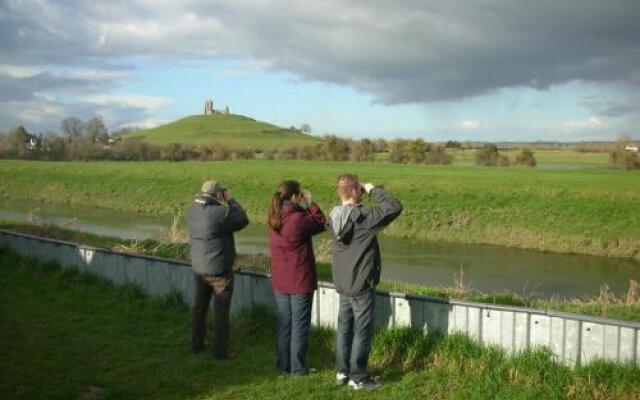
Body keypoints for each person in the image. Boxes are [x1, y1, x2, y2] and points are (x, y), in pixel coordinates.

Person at [326, 174, 402, 390]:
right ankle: (358, 378)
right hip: (360, 283)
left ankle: (342, 372)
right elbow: (395, 206)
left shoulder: (332, 217)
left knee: (344, 328)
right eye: (358, 189)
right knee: (362, 330)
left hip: (342, 282)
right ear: (354, 192)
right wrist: (372, 189)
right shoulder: (363, 217)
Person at [268, 180, 326, 376]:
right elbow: (320, 222)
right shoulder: (297, 219)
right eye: (300, 194)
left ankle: (283, 365)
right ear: (295, 196)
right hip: (299, 279)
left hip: (280, 280)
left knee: (285, 323)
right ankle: (299, 369)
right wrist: (310, 202)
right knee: (299, 325)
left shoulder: (275, 216)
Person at [186, 180, 249, 359]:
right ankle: (220, 351)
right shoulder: (220, 213)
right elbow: (243, 220)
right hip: (220, 270)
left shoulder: (191, 211)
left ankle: (196, 343)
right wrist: (231, 199)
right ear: (218, 194)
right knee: (221, 311)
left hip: (199, 268)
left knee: (199, 307)